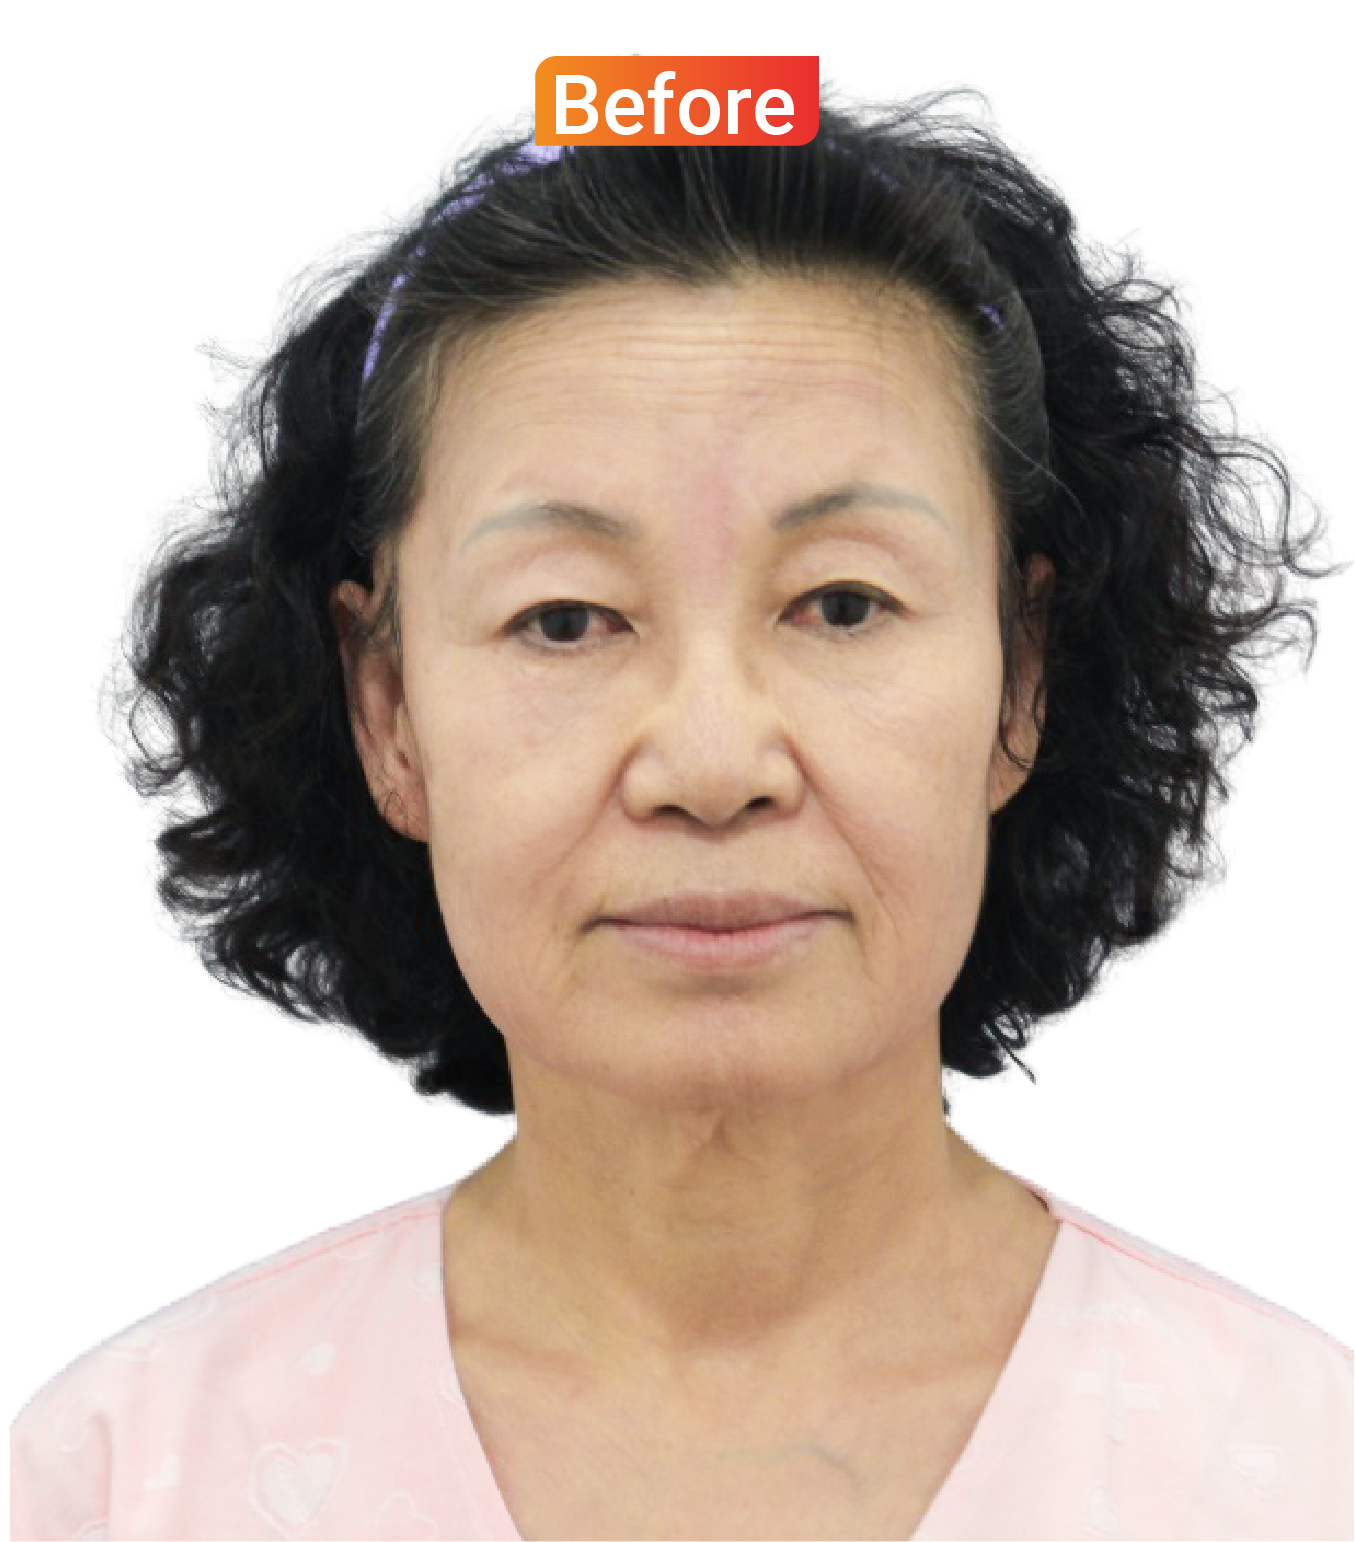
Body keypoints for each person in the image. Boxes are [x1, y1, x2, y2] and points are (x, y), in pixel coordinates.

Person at [10, 88, 1351, 1541]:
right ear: (386, 708)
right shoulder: (124, 1478)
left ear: (1019, 679)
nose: (712, 765)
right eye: (565, 619)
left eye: (843, 604)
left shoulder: (1299, 1468)